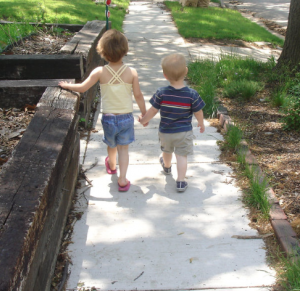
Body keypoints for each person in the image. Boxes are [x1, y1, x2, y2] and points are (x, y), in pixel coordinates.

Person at [59, 29, 146, 192]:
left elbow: (83, 87)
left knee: (111, 145)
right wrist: (144, 114)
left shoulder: (100, 72)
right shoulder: (131, 72)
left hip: (108, 118)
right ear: (125, 51)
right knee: (124, 149)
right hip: (126, 118)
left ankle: (112, 165)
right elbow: (139, 95)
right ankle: (122, 179)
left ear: (103, 53)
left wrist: (67, 85)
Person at [138, 53, 205, 192]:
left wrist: (143, 120)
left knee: (167, 151)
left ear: (165, 75)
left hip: (166, 131)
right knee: (181, 155)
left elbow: (153, 110)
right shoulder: (192, 94)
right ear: (186, 72)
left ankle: (167, 167)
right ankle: (180, 181)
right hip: (183, 132)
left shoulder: (161, 93)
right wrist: (201, 123)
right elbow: (198, 111)